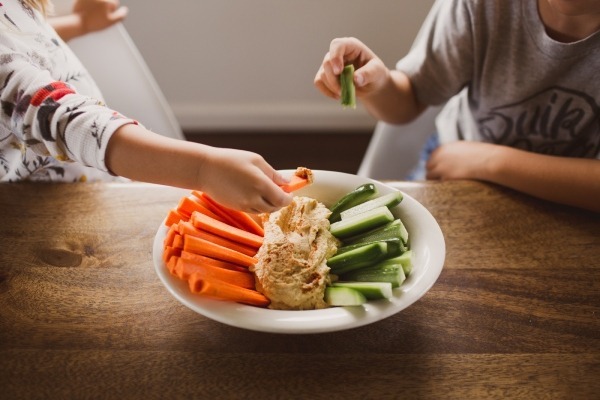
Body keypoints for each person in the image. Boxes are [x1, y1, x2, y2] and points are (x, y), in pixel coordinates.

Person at [0, 0, 292, 213]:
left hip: (88, 182)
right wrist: (203, 169)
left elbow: (21, 48)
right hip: (45, 211)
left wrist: (80, 25)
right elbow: (60, 118)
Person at [314, 0, 600, 213]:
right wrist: (378, 85)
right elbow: (409, 102)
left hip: (563, 200)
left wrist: (491, 162)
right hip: (456, 172)